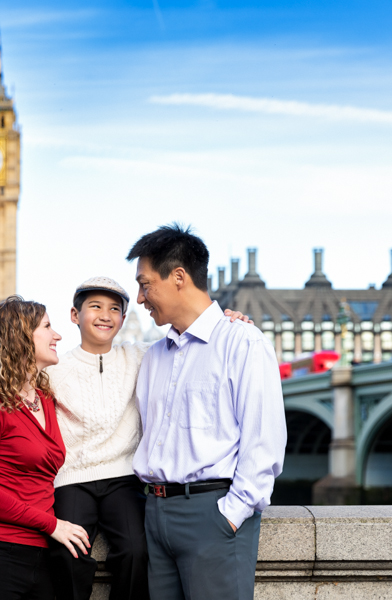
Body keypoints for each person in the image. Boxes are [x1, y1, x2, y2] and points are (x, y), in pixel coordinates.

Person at [0, 278, 251, 600]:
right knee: (68, 554)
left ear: (124, 320)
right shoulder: (53, 369)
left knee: (138, 551)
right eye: (95, 306)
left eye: (114, 309)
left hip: (122, 476)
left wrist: (224, 325)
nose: (105, 315)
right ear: (74, 315)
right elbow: (2, 373)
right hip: (73, 478)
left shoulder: (144, 357)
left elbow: (188, 345)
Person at [127, 224, 287, 600]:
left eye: (145, 284)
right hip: (155, 512)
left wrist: (230, 515)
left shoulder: (242, 342)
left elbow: (264, 442)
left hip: (211, 512)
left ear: (178, 277)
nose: (139, 298)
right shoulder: (152, 357)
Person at [0, 295, 91, 600]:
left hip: (40, 556)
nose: (58, 335)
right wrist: (52, 524)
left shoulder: (46, 398)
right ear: (21, 336)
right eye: (48, 327)